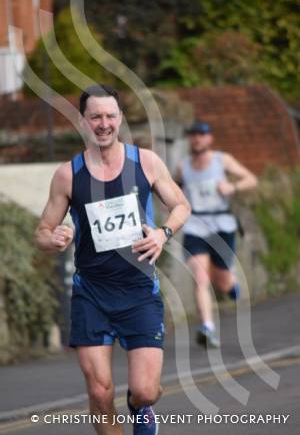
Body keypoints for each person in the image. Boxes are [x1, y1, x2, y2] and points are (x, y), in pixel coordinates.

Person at [35, 84, 190, 435]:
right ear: (82, 121)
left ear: (119, 118)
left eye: (109, 116)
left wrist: (163, 233)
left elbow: (181, 205)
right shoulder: (67, 175)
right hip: (92, 294)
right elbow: (42, 230)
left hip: (139, 291)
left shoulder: (145, 161)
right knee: (100, 392)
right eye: (95, 117)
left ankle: (140, 408)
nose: (103, 123)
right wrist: (53, 237)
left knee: (146, 391)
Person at [175, 121, 257, 349]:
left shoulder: (223, 160)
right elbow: (173, 189)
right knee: (200, 277)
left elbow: (251, 179)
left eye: (201, 135)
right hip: (195, 226)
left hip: (222, 225)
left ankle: (231, 284)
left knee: (222, 283)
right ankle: (207, 327)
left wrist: (233, 187)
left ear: (209, 138)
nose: (197, 139)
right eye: (193, 135)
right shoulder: (183, 166)